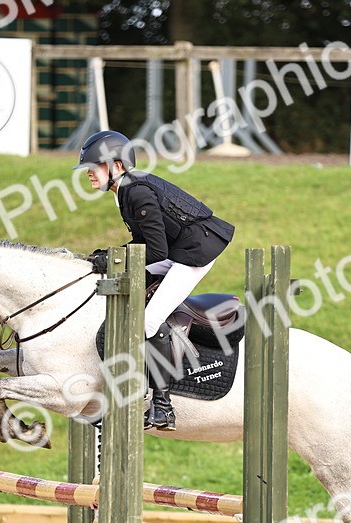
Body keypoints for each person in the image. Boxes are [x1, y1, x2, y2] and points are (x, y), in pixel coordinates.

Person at [74, 130, 235, 431]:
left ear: (117, 167)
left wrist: (113, 260)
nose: (88, 174)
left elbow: (156, 250)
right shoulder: (125, 190)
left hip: (193, 253)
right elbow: (142, 240)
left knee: (148, 321)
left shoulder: (136, 191)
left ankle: (163, 407)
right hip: (177, 249)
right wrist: (109, 256)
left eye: (94, 167)